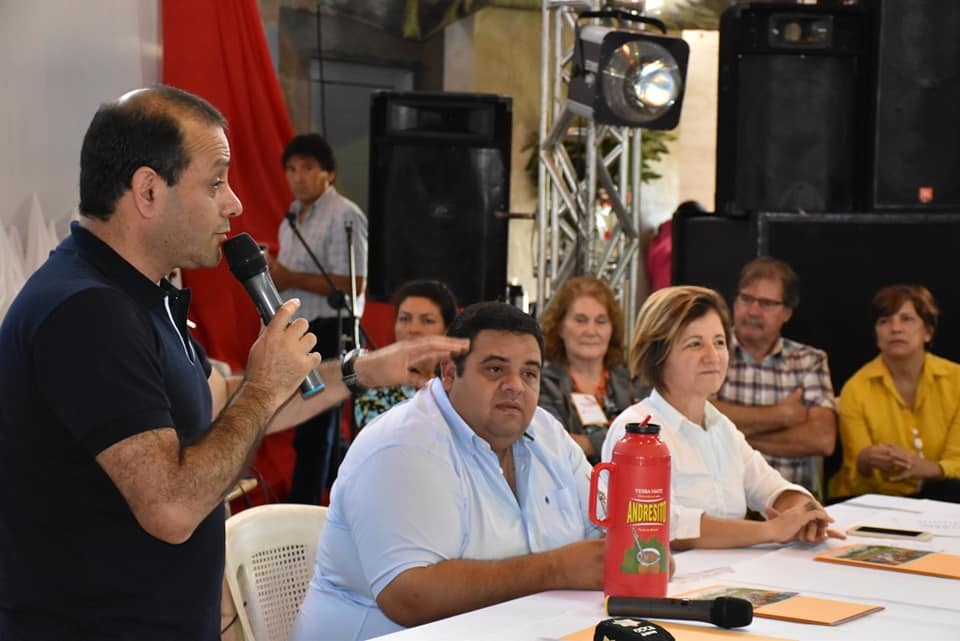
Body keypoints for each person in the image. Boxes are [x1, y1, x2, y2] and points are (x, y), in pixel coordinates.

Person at [0, 85, 467, 640]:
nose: (235, 203)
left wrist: (364, 369)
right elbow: (171, 508)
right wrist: (266, 387)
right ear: (148, 190)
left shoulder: (138, 295)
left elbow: (222, 403)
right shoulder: (86, 311)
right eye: (216, 181)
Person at [290, 302, 605, 641]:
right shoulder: (403, 444)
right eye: (495, 370)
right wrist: (554, 569)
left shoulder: (547, 433)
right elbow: (409, 596)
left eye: (530, 373)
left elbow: (604, 535)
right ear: (451, 373)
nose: (516, 385)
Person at [601, 286, 843, 549]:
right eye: (695, 344)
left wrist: (802, 511)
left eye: (719, 342)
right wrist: (770, 530)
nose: (713, 357)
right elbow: (661, 523)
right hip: (668, 580)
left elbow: (768, 485)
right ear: (657, 356)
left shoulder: (720, 425)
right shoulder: (634, 430)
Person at [269, 133, 369, 503]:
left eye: (308, 168)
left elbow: (356, 284)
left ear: (328, 173)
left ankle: (301, 509)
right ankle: (346, 495)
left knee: (313, 426)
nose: (298, 177)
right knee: (318, 425)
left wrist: (290, 277)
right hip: (300, 329)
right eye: (291, 169)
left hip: (332, 329)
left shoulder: (345, 215)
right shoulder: (291, 216)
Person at [712, 257, 837, 500]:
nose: (753, 311)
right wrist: (783, 415)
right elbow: (696, 418)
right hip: (722, 503)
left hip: (790, 503)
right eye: (746, 299)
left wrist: (731, 436)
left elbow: (822, 439)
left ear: (787, 313)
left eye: (767, 303)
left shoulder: (809, 360)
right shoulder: (710, 352)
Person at [829, 285, 960, 502]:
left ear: (928, 332)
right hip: (873, 499)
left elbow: (957, 461)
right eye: (884, 321)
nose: (895, 328)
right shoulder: (856, 388)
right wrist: (865, 461)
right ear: (877, 336)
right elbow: (855, 473)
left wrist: (931, 468)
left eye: (907, 319)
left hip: (944, 495)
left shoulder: (956, 380)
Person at [538, 276, 648, 463]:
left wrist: (587, 443)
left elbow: (649, 440)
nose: (591, 330)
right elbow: (550, 444)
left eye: (601, 321)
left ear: (612, 329)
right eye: (580, 320)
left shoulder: (635, 380)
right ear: (559, 327)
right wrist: (616, 441)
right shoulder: (542, 383)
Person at [353, 279, 459, 429]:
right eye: (405, 319)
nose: (413, 329)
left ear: (447, 330)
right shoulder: (377, 380)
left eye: (427, 321)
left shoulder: (461, 379)